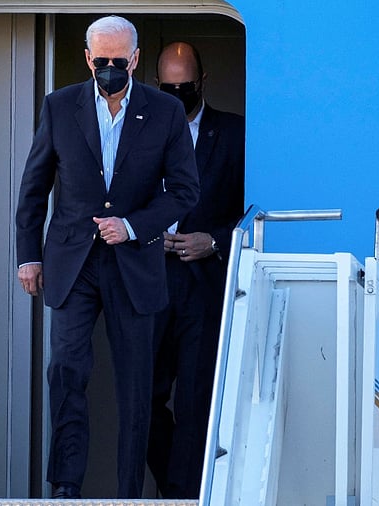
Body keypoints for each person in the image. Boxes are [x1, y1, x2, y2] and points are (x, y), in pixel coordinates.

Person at [15, 16, 200, 499]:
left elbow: (184, 190)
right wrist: (28, 257)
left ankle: (128, 492)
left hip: (135, 262)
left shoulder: (165, 112)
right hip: (72, 263)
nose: (111, 69)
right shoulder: (59, 106)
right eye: (102, 62)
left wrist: (134, 225)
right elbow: (34, 189)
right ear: (87, 58)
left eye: (120, 61)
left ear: (136, 59)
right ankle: (66, 487)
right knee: (66, 371)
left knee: (137, 385)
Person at [146, 41, 245, 499]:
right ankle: (173, 488)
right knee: (142, 403)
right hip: (149, 284)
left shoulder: (236, 134)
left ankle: (185, 495)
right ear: (155, 85)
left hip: (204, 286)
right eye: (168, 87)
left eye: (185, 87)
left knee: (196, 404)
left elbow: (250, 213)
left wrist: (214, 241)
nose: (178, 93)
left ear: (202, 83)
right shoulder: (136, 133)